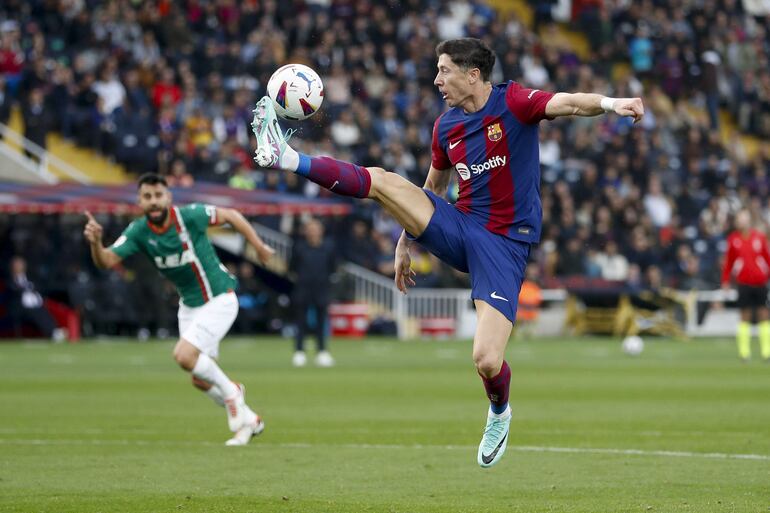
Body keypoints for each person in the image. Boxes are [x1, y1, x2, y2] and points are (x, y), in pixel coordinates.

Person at [251, 37, 644, 467]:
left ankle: (499, 411)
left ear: (472, 74)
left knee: (486, 359)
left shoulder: (513, 102)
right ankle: (287, 157)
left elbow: (569, 103)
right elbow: (433, 190)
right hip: (460, 226)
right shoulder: (446, 127)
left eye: (444, 71)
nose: (436, 80)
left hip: (504, 244)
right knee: (384, 181)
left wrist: (611, 103)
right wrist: (405, 239)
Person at [83, 173, 275, 445]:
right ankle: (249, 421)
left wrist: (257, 246)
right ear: (140, 201)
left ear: (168, 197)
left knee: (184, 356)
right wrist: (95, 243)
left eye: (158, 195)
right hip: (190, 306)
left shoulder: (190, 216)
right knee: (199, 379)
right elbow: (106, 260)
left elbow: (231, 215)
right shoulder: (139, 231)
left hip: (219, 298)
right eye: (147, 197)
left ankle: (232, 392)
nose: (154, 201)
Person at [721, 209, 770, 362]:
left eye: (744, 218)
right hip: (744, 283)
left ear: (749, 220)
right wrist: (726, 281)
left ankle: (766, 352)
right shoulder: (733, 239)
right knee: (745, 316)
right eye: (739, 218)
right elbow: (728, 262)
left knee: (764, 315)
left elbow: (767, 259)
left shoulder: (759, 238)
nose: (742, 221)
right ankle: (744, 353)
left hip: (760, 282)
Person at [288, 218, 337, 367]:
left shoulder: (328, 247)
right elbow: (292, 267)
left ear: (321, 230)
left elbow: (332, 267)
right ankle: (299, 352)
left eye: (316, 228)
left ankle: (322, 351)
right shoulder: (299, 246)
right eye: (310, 228)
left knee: (322, 321)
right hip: (303, 287)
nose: (313, 231)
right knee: (300, 321)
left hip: (322, 288)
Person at [7, 255, 59, 340]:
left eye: (20, 264)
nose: (18, 267)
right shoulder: (9, 280)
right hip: (18, 307)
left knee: (41, 310)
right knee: (35, 311)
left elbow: (39, 290)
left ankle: (53, 331)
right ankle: (53, 332)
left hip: (34, 306)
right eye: (16, 265)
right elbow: (11, 293)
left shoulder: (31, 279)